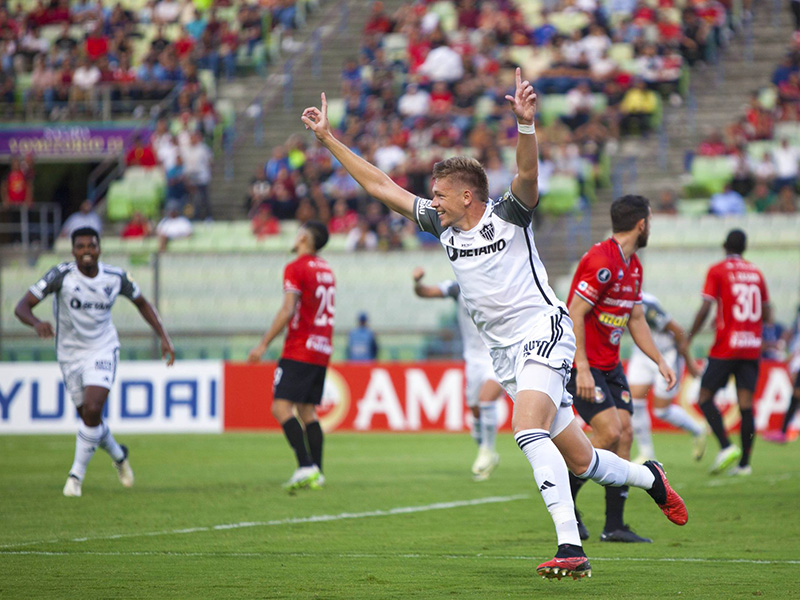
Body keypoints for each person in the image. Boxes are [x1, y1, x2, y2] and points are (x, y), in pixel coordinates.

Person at [300, 71, 686, 582]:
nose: (431, 199)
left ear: (467, 196)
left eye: (440, 193)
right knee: (582, 460)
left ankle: (571, 546)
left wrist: (526, 127)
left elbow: (528, 179)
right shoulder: (440, 224)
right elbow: (380, 185)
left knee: (525, 430)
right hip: (506, 353)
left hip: (543, 330)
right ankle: (650, 478)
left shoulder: (507, 214)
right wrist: (329, 140)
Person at [14, 227, 175, 497]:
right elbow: (22, 306)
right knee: (89, 418)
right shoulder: (61, 275)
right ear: (73, 250)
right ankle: (118, 454)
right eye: (81, 246)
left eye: (91, 245)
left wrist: (164, 337)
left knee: (92, 408)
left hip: (102, 349)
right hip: (69, 355)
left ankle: (75, 478)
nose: (86, 251)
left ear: (100, 249)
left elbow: (143, 304)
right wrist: (36, 322)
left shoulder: (115, 277)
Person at [566, 195, 677, 545]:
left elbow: (637, 319)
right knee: (610, 432)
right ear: (642, 224)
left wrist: (660, 359)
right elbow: (575, 311)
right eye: (651, 221)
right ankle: (562, 497)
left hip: (610, 365)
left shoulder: (634, 266)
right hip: (582, 365)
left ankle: (614, 524)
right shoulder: (602, 260)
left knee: (625, 434)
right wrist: (581, 367)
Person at [247, 221, 334, 492]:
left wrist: (263, 344)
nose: (295, 237)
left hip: (300, 347)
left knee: (280, 407)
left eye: (298, 233)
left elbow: (287, 310)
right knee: (307, 410)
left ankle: (305, 465)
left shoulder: (296, 268)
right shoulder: (326, 269)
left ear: (305, 238)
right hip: (322, 347)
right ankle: (317, 472)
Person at [687, 229, 771, 476]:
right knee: (746, 405)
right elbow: (766, 313)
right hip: (751, 346)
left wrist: (688, 338)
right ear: (744, 248)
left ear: (725, 246)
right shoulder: (756, 272)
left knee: (704, 396)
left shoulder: (718, 270)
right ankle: (744, 464)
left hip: (726, 346)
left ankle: (725, 446)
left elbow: (705, 306)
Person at [412, 267, 504, 481]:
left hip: (499, 355)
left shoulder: (501, 285)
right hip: (473, 359)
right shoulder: (457, 287)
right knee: (475, 410)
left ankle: (487, 452)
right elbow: (425, 292)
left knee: (485, 400)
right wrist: (417, 283)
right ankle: (485, 448)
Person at [628, 292, 706, 464]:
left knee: (661, 411)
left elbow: (678, 332)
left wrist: (690, 363)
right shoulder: (611, 299)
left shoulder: (644, 304)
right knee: (634, 403)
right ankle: (646, 453)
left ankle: (697, 430)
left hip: (666, 354)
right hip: (641, 354)